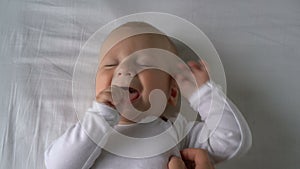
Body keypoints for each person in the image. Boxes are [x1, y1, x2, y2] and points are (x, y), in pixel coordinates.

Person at [44, 22, 251, 169]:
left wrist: (203, 94)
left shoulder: (175, 130)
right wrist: (99, 117)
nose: (124, 70)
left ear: (171, 92)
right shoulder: (92, 132)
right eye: (111, 64)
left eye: (144, 64)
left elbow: (231, 141)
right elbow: (57, 165)